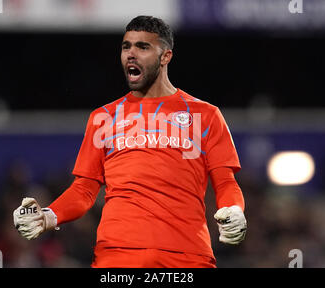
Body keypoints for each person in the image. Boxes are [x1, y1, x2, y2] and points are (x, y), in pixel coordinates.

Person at [13, 15, 247, 268]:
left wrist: (234, 210)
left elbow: (225, 182)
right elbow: (84, 189)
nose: (131, 54)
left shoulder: (205, 115)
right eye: (126, 47)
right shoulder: (104, 117)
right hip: (116, 257)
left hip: (187, 258)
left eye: (142, 47)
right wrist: (48, 217)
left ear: (166, 56)